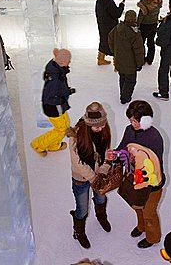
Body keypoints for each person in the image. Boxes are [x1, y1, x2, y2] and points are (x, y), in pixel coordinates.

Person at [107, 100, 165, 249]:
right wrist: (116, 154)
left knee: (149, 212)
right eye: (131, 120)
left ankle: (153, 238)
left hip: (152, 184)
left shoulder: (154, 137)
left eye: (136, 120)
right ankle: (141, 227)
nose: (133, 123)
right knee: (137, 206)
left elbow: (154, 165)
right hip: (135, 178)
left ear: (146, 119)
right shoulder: (129, 130)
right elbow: (123, 148)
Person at [67, 102, 112, 249]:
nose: (100, 129)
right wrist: (93, 178)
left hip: (99, 174)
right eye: (97, 126)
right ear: (88, 124)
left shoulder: (104, 129)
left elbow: (107, 151)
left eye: (102, 125)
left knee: (101, 197)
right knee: (82, 208)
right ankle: (78, 231)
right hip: (81, 178)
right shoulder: (76, 134)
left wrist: (104, 169)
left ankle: (101, 216)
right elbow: (76, 161)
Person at [31, 48, 75, 156]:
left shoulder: (57, 69)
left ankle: (54, 145)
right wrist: (62, 98)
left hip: (60, 105)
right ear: (61, 62)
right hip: (53, 108)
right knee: (61, 129)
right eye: (68, 61)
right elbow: (51, 96)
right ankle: (38, 144)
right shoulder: (54, 79)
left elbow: (60, 88)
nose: (70, 62)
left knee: (66, 124)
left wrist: (67, 91)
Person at [108, 10, 145, 104]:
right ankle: (125, 97)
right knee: (130, 80)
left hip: (119, 59)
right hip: (130, 62)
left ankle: (122, 93)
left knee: (122, 77)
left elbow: (110, 39)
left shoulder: (117, 28)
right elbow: (139, 50)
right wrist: (139, 63)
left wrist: (115, 52)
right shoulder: (134, 33)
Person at [95, 0, 126, 65]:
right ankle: (117, 64)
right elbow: (116, 14)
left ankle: (100, 58)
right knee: (114, 43)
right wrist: (121, 5)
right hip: (110, 25)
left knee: (103, 40)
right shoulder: (109, 2)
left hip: (102, 23)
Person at [137, 0, 163, 65]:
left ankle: (141, 59)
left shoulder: (145, 1)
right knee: (151, 42)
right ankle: (150, 59)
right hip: (154, 24)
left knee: (141, 43)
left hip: (145, 25)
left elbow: (141, 15)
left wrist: (137, 25)